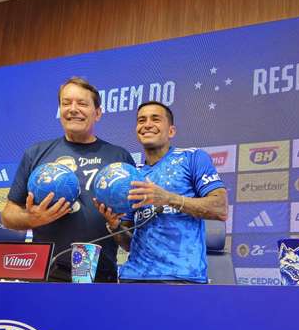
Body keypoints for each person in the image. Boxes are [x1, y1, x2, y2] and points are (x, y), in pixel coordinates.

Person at [1, 77, 135, 282]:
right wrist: (32, 219)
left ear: (98, 113)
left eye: (82, 103)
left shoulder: (119, 157)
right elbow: (7, 216)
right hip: (45, 273)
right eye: (66, 103)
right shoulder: (36, 153)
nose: (73, 109)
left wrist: (115, 226)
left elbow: (130, 236)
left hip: (99, 275)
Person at [96, 101, 227, 283]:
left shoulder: (192, 158)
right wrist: (115, 225)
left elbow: (220, 208)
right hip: (133, 278)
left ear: (171, 131)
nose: (147, 124)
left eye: (155, 119)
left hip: (180, 279)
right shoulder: (132, 175)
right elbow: (128, 244)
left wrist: (167, 198)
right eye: (141, 120)